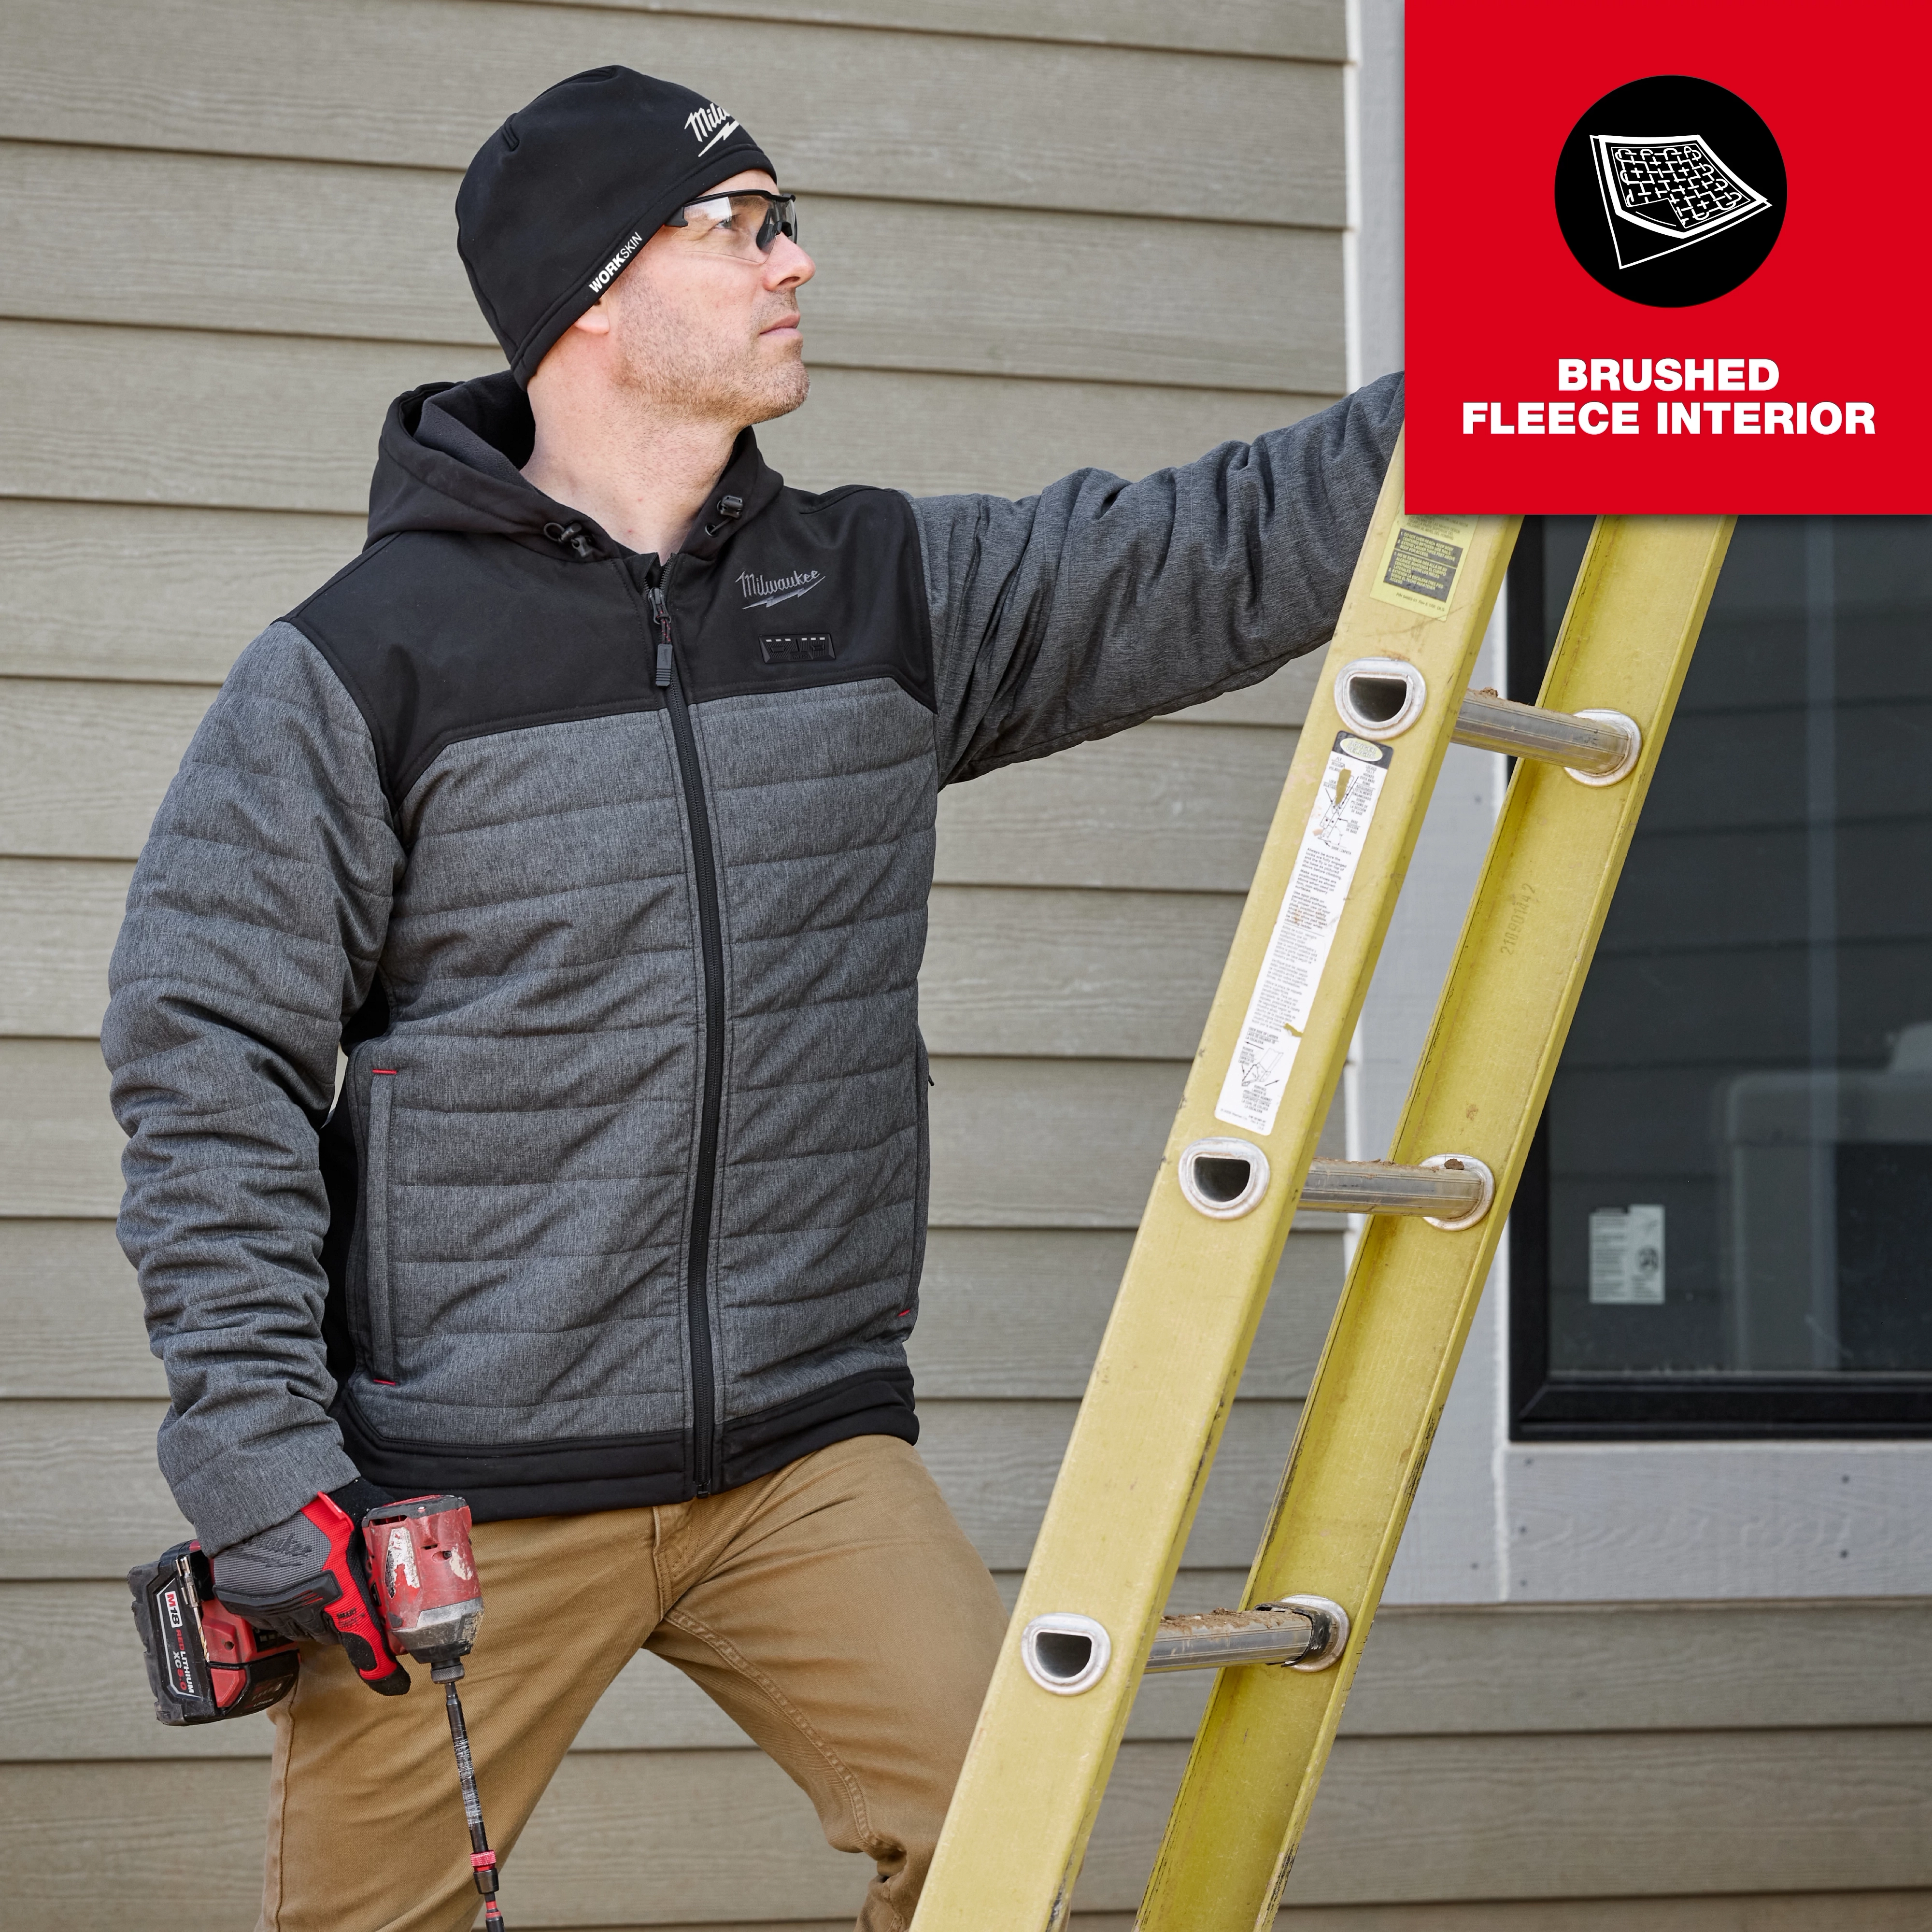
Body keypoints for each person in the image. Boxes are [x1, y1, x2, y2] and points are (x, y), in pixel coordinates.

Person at [104, 65, 1403, 1932]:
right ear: (592, 296)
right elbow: (201, 1058)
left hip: (801, 1450)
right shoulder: (359, 664)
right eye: (741, 227)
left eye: (781, 220)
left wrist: (1519, 378)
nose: (799, 262)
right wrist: (260, 1461)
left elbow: (1217, 543)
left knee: (1000, 1844)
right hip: (453, 1488)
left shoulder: (880, 593)